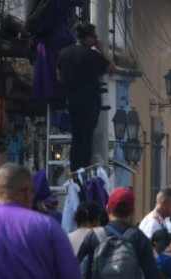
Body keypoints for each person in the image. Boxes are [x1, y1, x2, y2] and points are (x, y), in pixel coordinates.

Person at [57, 23, 114, 171]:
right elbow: (111, 68)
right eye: (94, 37)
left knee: (76, 136)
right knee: (87, 137)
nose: (95, 39)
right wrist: (101, 49)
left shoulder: (64, 53)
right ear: (88, 38)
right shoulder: (92, 55)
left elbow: (59, 76)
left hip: (71, 101)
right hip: (89, 102)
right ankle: (84, 168)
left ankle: (75, 168)